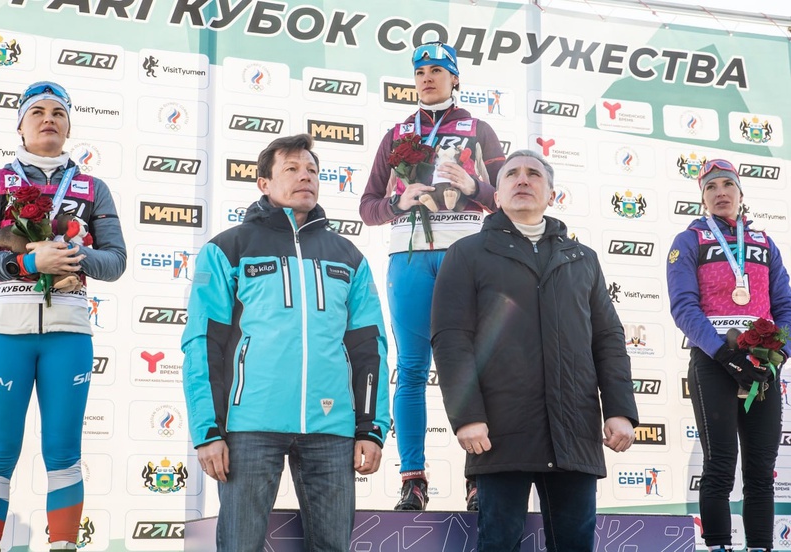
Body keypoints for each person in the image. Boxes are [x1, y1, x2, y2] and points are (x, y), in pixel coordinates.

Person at [182, 134, 390, 552]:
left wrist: (371, 428)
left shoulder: (348, 255)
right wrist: (207, 431)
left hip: (332, 427)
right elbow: (203, 344)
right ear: (264, 182)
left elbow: (370, 347)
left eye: (312, 170)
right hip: (249, 425)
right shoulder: (227, 248)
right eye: (292, 168)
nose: (305, 176)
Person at [430, 150, 638, 551]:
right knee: (499, 543)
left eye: (534, 174)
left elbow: (608, 339)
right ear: (496, 195)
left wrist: (619, 410)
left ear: (552, 194)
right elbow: (451, 339)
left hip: (573, 431)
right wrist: (467, 416)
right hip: (499, 431)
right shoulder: (467, 253)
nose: (522, 180)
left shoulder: (583, 259)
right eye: (511, 174)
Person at [0, 81, 127, 552]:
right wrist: (28, 263)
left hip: (67, 335)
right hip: (6, 333)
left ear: (69, 126)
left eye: (58, 112)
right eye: (37, 112)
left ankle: (64, 546)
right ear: (20, 126)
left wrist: (70, 258)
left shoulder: (94, 188)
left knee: (63, 452)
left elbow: (115, 261)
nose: (48, 119)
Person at [359, 41, 504, 511]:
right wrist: (398, 202)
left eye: (437, 70)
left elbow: (508, 200)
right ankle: (413, 480)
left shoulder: (478, 129)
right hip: (410, 256)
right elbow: (367, 208)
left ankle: (479, 478)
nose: (427, 78)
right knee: (412, 369)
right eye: (420, 71)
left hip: (466, 254)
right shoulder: (397, 134)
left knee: (476, 366)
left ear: (455, 77)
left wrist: (474, 186)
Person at [667, 159, 791, 552]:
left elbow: (786, 307)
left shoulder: (764, 242)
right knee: (720, 464)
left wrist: (779, 355)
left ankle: (761, 546)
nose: (720, 192)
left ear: (740, 192)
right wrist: (724, 355)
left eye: (727, 185)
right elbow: (684, 307)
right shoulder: (689, 240)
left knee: (761, 471)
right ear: (702, 198)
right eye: (711, 187)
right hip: (714, 361)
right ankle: (718, 546)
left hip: (762, 363)